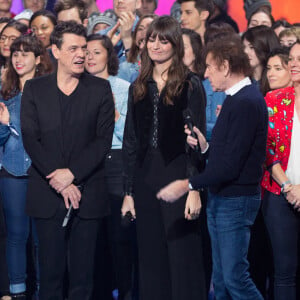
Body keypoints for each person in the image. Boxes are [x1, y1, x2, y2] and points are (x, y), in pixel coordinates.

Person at [157, 34, 268, 300]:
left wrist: (187, 184)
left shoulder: (247, 102)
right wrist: (205, 147)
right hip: (222, 197)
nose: (205, 75)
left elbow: (231, 166)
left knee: (235, 278)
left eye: (209, 67)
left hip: (236, 200)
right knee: (220, 279)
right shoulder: (234, 99)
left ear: (226, 66)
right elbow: (228, 154)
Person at [20, 21, 114, 300]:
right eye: (73, 48)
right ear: (55, 51)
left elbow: (102, 141)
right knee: (49, 276)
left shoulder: (99, 89)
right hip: (47, 194)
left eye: (84, 49)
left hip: (89, 194)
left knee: (83, 278)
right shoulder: (35, 89)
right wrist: (58, 179)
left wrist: (71, 175)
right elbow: (30, 138)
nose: (81, 54)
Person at [121, 16, 207, 300]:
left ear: (175, 44)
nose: (155, 45)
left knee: (183, 258)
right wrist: (128, 192)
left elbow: (195, 141)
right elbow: (131, 142)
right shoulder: (139, 84)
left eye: (163, 40)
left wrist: (194, 189)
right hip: (146, 178)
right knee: (150, 257)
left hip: (179, 175)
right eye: (151, 39)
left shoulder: (190, 84)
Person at [0, 34, 52, 300]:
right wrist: (2, 124)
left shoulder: (49, 91)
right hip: (12, 171)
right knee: (17, 235)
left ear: (38, 59)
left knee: (42, 237)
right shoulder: (4, 91)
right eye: (15, 54)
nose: (19, 59)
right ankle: (17, 291)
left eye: (25, 54)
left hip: (43, 172)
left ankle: (45, 291)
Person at [261, 42, 300, 300]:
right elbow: (268, 150)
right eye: (292, 59)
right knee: (284, 273)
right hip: (279, 193)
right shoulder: (274, 99)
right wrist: (289, 186)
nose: (293, 63)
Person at [118, 13, 157, 83]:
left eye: (149, 28)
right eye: (140, 29)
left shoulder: (166, 68)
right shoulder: (125, 69)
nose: (144, 32)